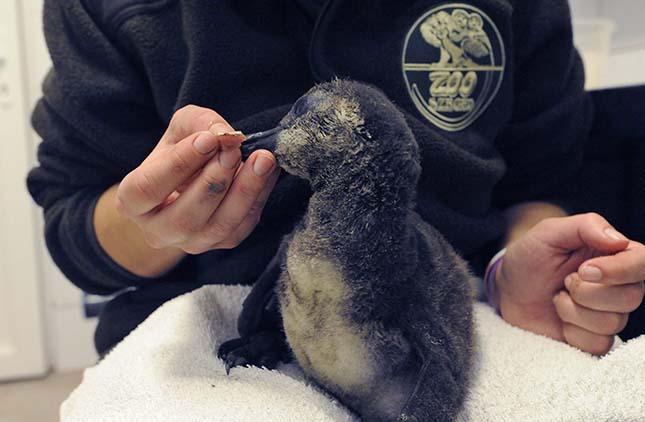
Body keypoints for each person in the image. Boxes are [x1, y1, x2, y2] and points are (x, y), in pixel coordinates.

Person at [27, 0, 644, 358]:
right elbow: (75, 223)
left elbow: (544, 171)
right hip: (201, 335)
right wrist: (153, 229)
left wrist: (510, 267)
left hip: (463, 316)